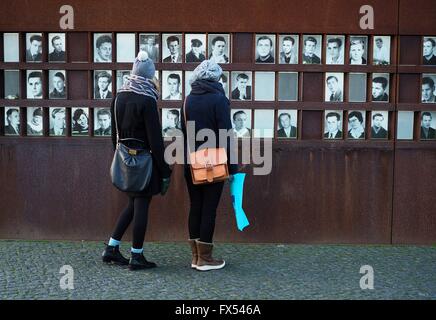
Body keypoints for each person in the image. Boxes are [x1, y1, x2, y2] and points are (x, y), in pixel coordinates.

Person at [102, 51, 171, 270]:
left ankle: (111, 248)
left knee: (133, 202)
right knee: (141, 204)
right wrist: (165, 170)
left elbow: (114, 135)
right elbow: (155, 140)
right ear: (149, 76)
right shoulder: (147, 99)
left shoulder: (119, 95)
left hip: (124, 156)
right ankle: (136, 256)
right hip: (143, 160)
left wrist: (121, 158)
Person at [180, 59, 238, 271]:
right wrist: (233, 167)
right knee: (209, 209)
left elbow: (184, 133)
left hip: (190, 161)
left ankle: (196, 257)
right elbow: (226, 134)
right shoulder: (219, 99)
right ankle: (205, 259)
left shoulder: (187, 100)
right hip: (214, 161)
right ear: (216, 77)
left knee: (195, 207)